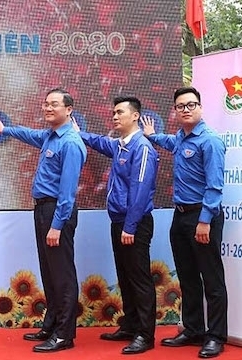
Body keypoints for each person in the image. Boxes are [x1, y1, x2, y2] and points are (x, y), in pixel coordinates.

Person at [0, 88, 87, 353]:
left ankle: (64, 335)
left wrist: (57, 224)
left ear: (69, 109)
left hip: (56, 213)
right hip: (42, 210)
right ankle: (52, 325)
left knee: (62, 275)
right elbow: (27, 134)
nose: (48, 108)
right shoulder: (49, 137)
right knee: (49, 271)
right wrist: (4, 129)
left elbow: (68, 192)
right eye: (46, 104)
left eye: (54, 104)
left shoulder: (71, 142)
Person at [142, 86, 227, 359]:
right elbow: (168, 142)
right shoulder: (180, 137)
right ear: (175, 111)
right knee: (188, 277)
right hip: (180, 216)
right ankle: (193, 330)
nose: (186, 109)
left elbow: (214, 187)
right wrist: (152, 136)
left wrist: (205, 221)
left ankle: (215, 337)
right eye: (181, 106)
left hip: (203, 216)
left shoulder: (210, 141)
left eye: (191, 105)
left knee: (211, 279)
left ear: (200, 108)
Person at [74, 96, 159, 354]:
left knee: (139, 278)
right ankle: (130, 326)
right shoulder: (120, 146)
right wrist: (81, 134)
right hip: (119, 222)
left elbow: (141, 190)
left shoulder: (142, 148)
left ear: (135, 116)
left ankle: (145, 335)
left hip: (134, 224)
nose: (114, 116)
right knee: (125, 276)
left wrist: (131, 227)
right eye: (113, 112)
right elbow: (101, 143)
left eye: (119, 112)